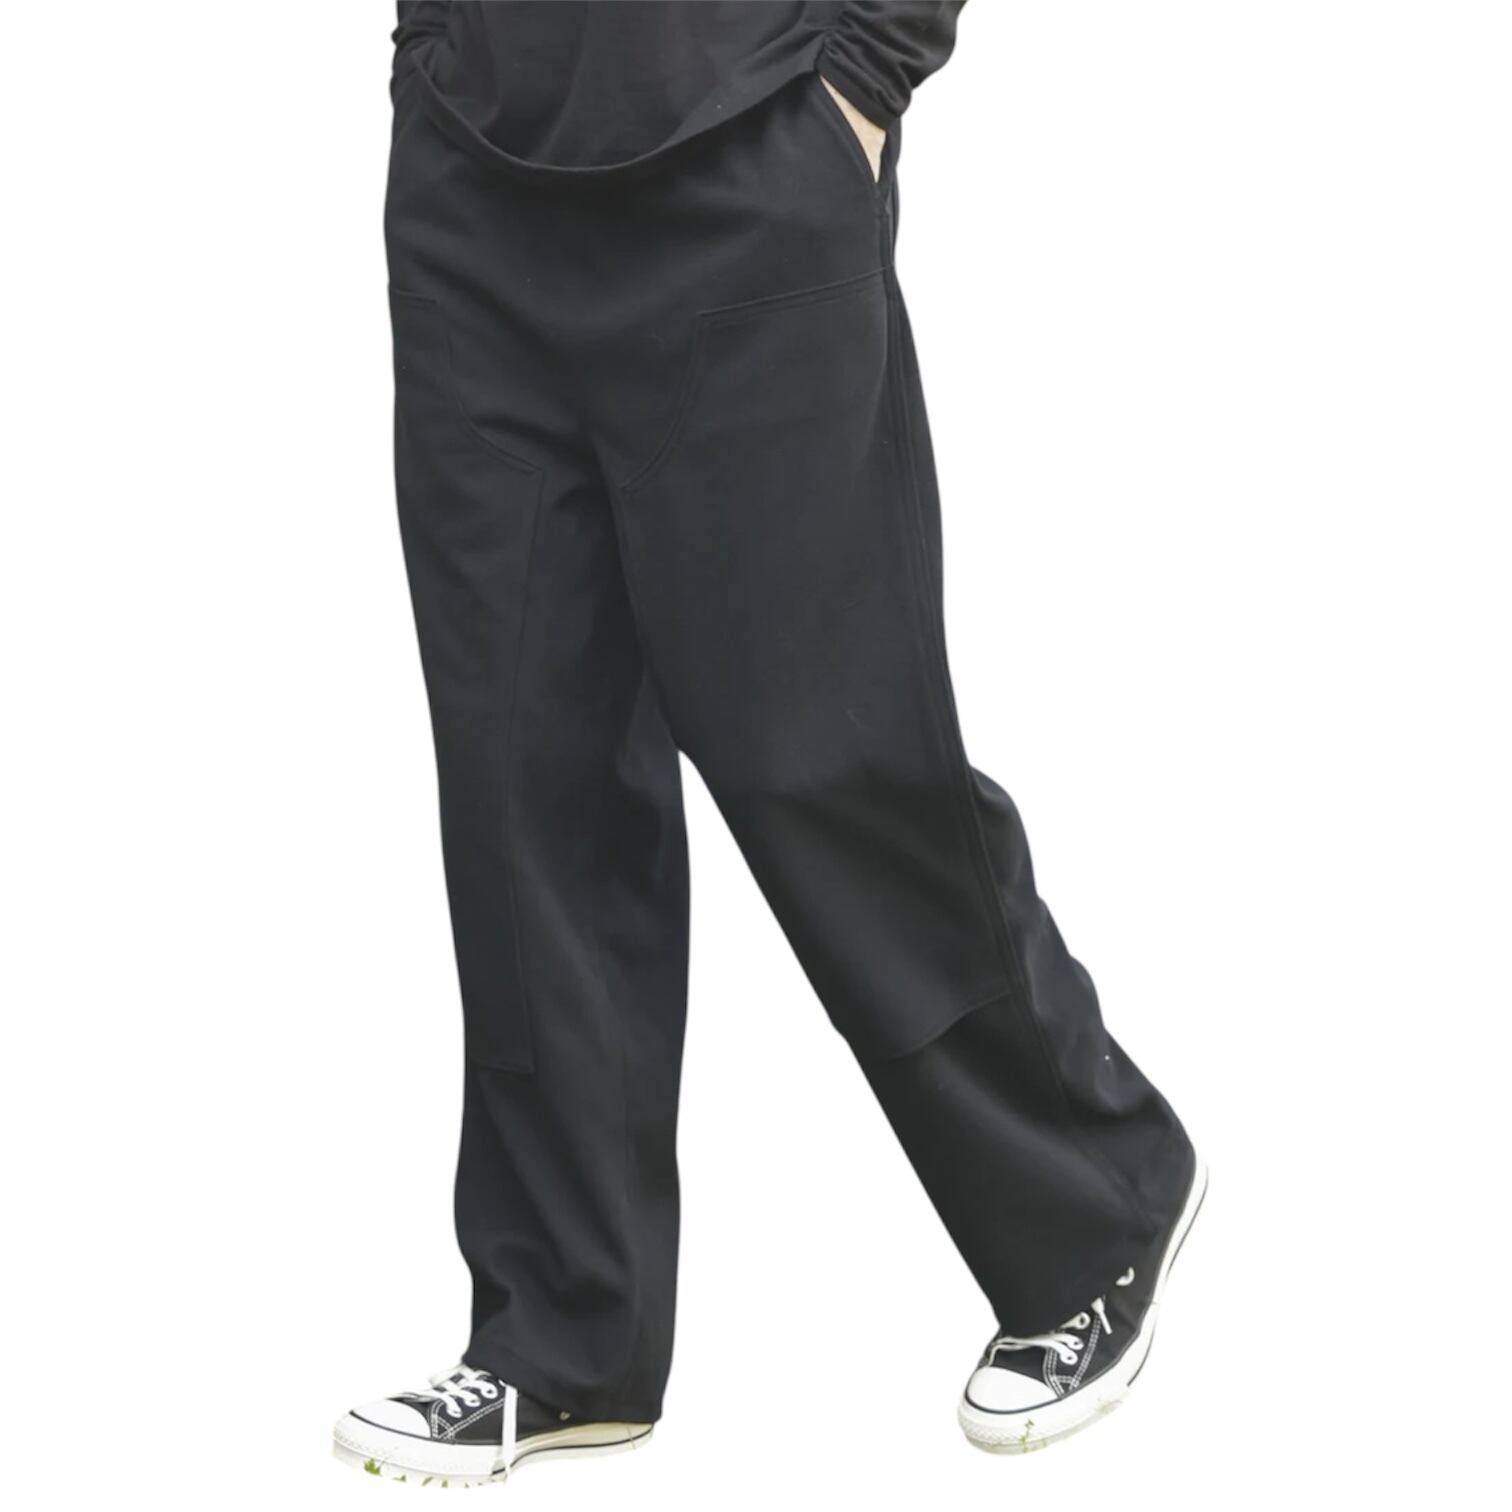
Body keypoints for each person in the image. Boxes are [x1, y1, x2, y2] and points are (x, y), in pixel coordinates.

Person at [334, 1, 1203, 1486]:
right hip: (474, 180)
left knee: (815, 745)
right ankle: (565, 1335)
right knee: (521, 773)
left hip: (748, 151)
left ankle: (1095, 1196)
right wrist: (429, 52)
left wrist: (866, 70)